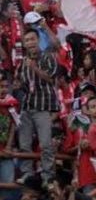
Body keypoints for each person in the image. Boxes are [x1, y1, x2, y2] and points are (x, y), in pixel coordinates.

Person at [17, 29, 59, 181]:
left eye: (32, 39)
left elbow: (50, 78)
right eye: (27, 40)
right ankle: (27, 174)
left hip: (43, 106)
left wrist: (34, 67)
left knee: (46, 144)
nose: (30, 43)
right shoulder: (22, 62)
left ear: (38, 40)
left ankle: (48, 176)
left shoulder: (49, 57)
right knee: (24, 143)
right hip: (27, 106)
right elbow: (19, 83)